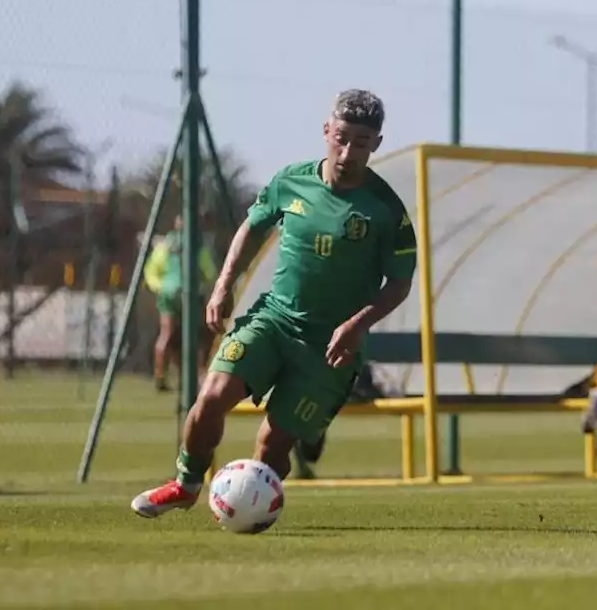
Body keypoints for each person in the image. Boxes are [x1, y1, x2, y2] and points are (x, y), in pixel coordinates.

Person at [131, 89, 417, 517]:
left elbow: (399, 283)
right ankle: (186, 484)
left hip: (329, 348)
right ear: (326, 131)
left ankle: (252, 508)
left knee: (272, 444)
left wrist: (358, 323)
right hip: (274, 319)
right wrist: (224, 283)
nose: (348, 151)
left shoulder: (386, 211)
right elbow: (252, 226)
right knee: (209, 399)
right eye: (341, 137)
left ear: (376, 143)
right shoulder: (291, 182)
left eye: (361, 141)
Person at [142, 216, 219, 392]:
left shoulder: (164, 246)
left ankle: (160, 375)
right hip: (191, 294)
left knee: (167, 334)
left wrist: (160, 287)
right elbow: (210, 272)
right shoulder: (199, 247)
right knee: (195, 336)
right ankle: (194, 376)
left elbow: (151, 271)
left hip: (168, 293)